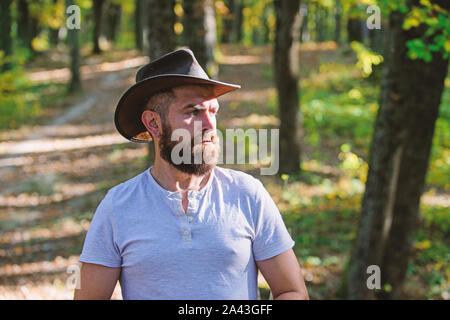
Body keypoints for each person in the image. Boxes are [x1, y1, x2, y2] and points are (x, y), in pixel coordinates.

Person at [74, 49, 309, 300]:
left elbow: (292, 291)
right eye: (193, 112)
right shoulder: (118, 206)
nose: (209, 125)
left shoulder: (247, 194)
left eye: (213, 111)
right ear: (153, 123)